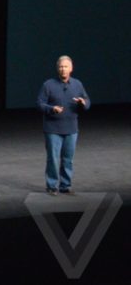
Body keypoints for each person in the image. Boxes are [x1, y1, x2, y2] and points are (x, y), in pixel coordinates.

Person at [36, 55, 90, 195]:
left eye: (66, 66)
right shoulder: (48, 85)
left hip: (71, 129)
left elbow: (87, 101)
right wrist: (51, 109)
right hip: (53, 129)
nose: (63, 69)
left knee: (68, 160)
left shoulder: (77, 84)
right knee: (53, 159)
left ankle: (65, 186)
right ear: (57, 69)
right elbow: (40, 103)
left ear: (71, 68)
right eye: (60, 67)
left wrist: (83, 103)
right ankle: (52, 186)